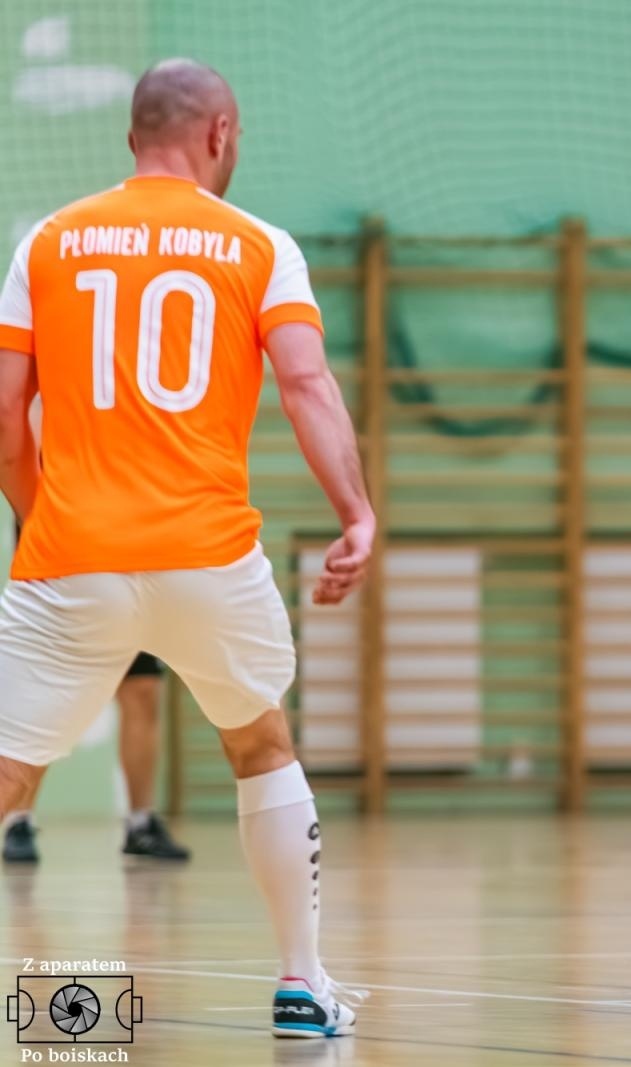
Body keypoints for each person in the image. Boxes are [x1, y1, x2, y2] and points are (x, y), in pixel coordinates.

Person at [0, 58, 374, 1038]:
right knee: (259, 744)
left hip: (70, 552)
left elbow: (6, 415)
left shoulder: (47, 241)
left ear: (134, 140)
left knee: (10, 773)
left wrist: (49, 521)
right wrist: (357, 513)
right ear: (221, 133)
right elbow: (306, 387)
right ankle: (301, 981)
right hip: (210, 559)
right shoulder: (260, 246)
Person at [2, 652, 193, 863]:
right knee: (45, 693)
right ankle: (19, 821)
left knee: (143, 687)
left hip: (138, 620)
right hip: (71, 622)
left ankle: (141, 823)